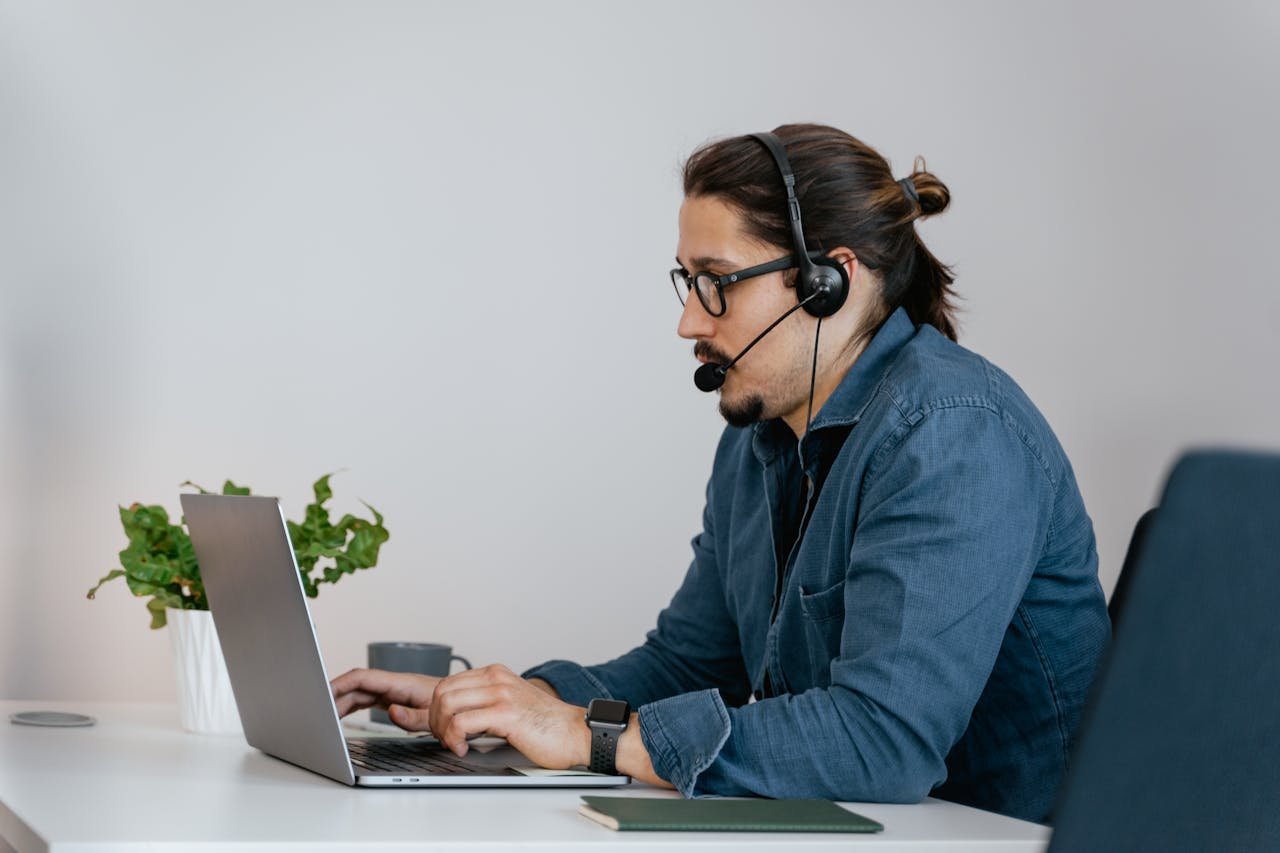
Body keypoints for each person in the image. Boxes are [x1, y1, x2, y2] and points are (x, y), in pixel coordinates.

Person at [331, 123, 1111, 824]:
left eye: (718, 280)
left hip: (1004, 839)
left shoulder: (953, 435)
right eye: (686, 280)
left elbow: (883, 740)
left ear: (827, 282)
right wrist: (511, 702)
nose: (688, 319)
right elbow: (689, 663)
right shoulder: (761, 433)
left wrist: (591, 739)